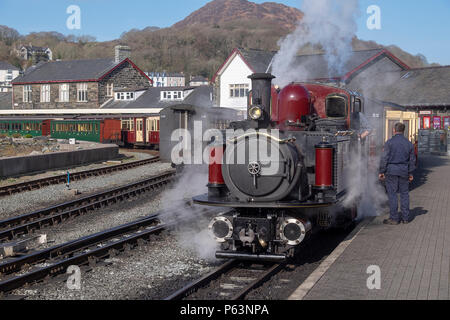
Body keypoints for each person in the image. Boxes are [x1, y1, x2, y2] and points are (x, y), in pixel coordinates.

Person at [379, 123, 416, 225]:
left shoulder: (389, 143)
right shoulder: (409, 144)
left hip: (391, 171)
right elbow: (412, 160)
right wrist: (410, 173)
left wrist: (382, 171)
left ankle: (394, 218)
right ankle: (405, 218)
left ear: (394, 130)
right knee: (404, 194)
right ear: (403, 131)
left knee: (392, 194)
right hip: (404, 171)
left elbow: (384, 158)